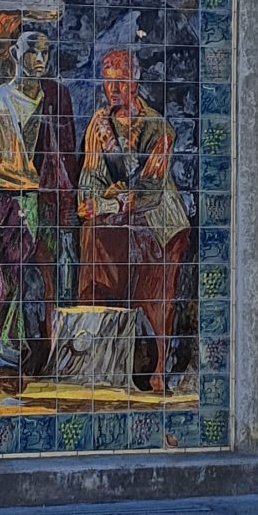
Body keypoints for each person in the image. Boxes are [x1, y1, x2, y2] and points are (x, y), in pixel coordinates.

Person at [0, 28, 77, 379]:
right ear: (15, 54)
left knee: (54, 282)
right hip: (9, 205)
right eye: (31, 53)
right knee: (6, 286)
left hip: (49, 204)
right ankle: (4, 355)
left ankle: (54, 354)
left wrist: (67, 204)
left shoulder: (57, 99)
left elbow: (67, 156)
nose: (39, 60)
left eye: (44, 53)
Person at [77, 50, 190, 395]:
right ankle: (99, 359)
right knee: (94, 241)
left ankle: (157, 368)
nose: (113, 89)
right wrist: (101, 198)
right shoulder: (98, 125)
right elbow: (89, 177)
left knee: (155, 292)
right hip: (116, 215)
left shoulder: (158, 126)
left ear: (135, 81)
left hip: (158, 221)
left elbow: (152, 186)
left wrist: (118, 199)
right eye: (108, 81)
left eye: (120, 81)